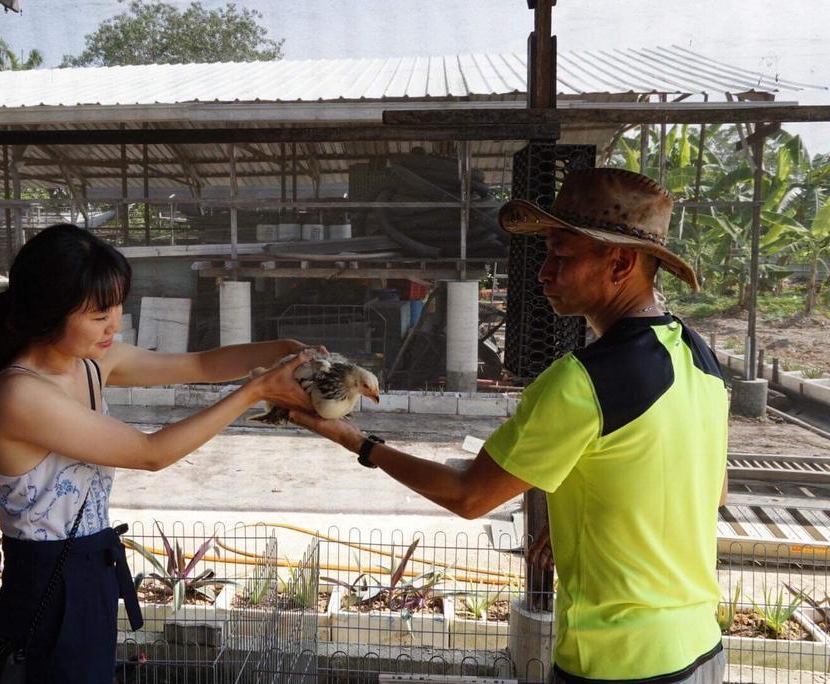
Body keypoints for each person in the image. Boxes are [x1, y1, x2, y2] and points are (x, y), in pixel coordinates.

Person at [291, 169, 729, 683]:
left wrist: (357, 441)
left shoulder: (583, 380)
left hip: (621, 662)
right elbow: (708, 487)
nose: (543, 272)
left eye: (561, 256)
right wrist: (575, 526)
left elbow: (467, 496)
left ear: (622, 262)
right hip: (700, 646)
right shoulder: (700, 356)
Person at [0, 223, 312, 683]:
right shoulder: (18, 393)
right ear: (48, 311)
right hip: (46, 588)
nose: (115, 323)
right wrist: (256, 390)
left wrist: (287, 350)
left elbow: (202, 364)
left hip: (90, 574)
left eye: (117, 306)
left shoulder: (91, 364)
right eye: (99, 313)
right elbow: (150, 452)